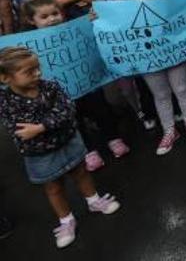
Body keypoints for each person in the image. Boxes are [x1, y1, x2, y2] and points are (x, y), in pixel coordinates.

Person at [0, 47, 121, 249]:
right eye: (29, 71)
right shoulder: (5, 102)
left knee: (81, 172)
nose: (37, 74)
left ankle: (94, 200)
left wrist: (40, 127)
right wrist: (50, 121)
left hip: (68, 141)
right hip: (39, 154)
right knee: (53, 187)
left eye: (38, 68)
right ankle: (66, 220)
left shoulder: (50, 86)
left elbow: (68, 109)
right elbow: (18, 127)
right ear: (5, 78)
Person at [20, 0, 130, 172]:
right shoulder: (27, 43)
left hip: (88, 83)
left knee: (101, 110)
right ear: (31, 20)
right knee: (74, 119)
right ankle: (88, 150)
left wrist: (91, 21)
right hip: (61, 93)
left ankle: (114, 138)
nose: (52, 19)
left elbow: (91, 33)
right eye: (44, 17)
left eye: (55, 13)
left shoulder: (73, 28)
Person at [119, 0, 186, 155]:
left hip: (174, 53)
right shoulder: (121, 7)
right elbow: (113, 26)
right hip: (148, 58)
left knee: (182, 88)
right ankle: (169, 131)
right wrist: (98, 20)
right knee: (160, 94)